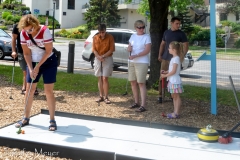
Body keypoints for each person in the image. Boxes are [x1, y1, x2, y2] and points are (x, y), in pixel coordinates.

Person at [15, 14, 58, 131]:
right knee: (29, 90)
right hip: (33, 62)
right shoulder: (23, 33)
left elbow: (48, 50)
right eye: (26, 30)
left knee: (48, 90)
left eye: (30, 29)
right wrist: (30, 68)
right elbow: (27, 53)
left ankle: (52, 120)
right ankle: (25, 117)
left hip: (48, 61)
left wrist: (38, 66)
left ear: (35, 25)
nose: (28, 32)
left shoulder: (44, 31)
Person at [158, 17, 188, 103]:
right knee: (162, 76)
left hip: (174, 60)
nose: (178, 25)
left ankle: (173, 95)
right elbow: (162, 44)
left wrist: (182, 56)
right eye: (176, 23)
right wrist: (160, 54)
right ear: (172, 23)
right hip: (165, 58)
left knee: (173, 75)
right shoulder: (166, 32)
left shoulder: (181, 34)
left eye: (179, 24)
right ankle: (160, 95)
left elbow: (185, 46)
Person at [11, 10, 39, 95]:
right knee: (25, 71)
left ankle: (32, 87)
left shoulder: (33, 26)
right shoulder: (17, 27)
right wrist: (13, 51)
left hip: (32, 51)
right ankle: (25, 87)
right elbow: (13, 39)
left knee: (33, 70)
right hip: (21, 51)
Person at [127, 20, 151, 112]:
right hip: (132, 61)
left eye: (143, 27)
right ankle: (136, 102)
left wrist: (136, 55)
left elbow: (147, 50)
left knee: (141, 83)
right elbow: (129, 47)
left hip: (142, 62)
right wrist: (128, 48)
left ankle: (143, 105)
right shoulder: (132, 36)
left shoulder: (147, 37)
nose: (141, 29)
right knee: (133, 82)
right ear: (135, 28)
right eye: (139, 27)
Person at [161, 41, 185, 118]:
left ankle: (176, 113)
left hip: (175, 81)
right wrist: (166, 72)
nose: (168, 49)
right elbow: (172, 70)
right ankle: (175, 111)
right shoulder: (174, 58)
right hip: (172, 80)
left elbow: (174, 71)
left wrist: (165, 76)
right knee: (173, 96)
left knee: (176, 96)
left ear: (174, 50)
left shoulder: (176, 59)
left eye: (169, 48)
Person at [93, 24, 115, 104]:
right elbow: (94, 49)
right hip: (98, 59)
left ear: (105, 30)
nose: (102, 33)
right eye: (100, 32)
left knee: (105, 78)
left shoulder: (110, 37)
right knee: (99, 77)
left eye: (103, 32)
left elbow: (112, 49)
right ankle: (101, 96)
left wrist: (103, 56)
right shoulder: (95, 37)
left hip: (107, 58)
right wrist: (99, 57)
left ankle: (106, 97)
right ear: (98, 31)